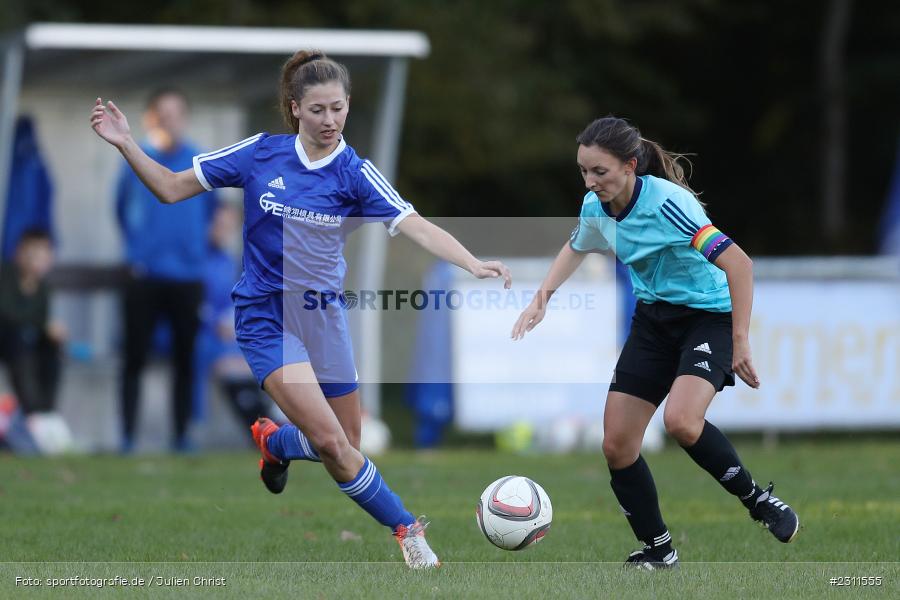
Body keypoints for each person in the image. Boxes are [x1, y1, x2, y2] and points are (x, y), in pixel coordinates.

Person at [90, 49, 511, 569]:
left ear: (348, 106)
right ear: (295, 109)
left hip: (323, 318)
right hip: (266, 318)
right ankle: (408, 531)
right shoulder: (261, 154)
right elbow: (172, 188)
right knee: (335, 443)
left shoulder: (355, 171)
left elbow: (415, 222)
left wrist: (471, 263)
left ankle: (277, 444)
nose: (329, 120)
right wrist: (127, 142)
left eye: (338, 108)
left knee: (347, 443)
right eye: (317, 110)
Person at [512, 116, 799, 569]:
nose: (590, 182)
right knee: (617, 446)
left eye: (599, 172)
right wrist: (541, 299)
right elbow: (578, 245)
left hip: (709, 319)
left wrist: (740, 341)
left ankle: (759, 501)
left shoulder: (669, 204)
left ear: (630, 166)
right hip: (653, 323)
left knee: (683, 422)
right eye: (583, 171)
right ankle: (660, 550)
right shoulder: (595, 206)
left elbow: (739, 265)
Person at [113, 89, 219, 453]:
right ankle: (126, 436)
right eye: (163, 113)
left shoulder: (199, 160)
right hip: (144, 275)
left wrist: (191, 252)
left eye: (177, 113)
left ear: (185, 117)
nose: (170, 120)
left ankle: (182, 435)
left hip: (188, 277)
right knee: (134, 358)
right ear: (150, 118)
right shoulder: (137, 160)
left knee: (185, 360)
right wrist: (139, 250)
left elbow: (211, 212)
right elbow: (120, 211)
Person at [192, 203, 272, 434]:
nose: (222, 230)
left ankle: (269, 424)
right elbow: (194, 302)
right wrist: (216, 322)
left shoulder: (229, 262)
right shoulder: (198, 259)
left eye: (228, 226)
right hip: (201, 333)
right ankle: (197, 423)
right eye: (219, 224)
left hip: (226, 334)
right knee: (224, 360)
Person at [0, 229, 66, 416]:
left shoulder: (44, 288)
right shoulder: (5, 276)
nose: (36, 260)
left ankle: (47, 410)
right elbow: (7, 314)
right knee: (18, 340)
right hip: (8, 340)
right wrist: (44, 325)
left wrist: (52, 331)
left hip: (26, 343)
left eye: (43, 254)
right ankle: (32, 410)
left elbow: (41, 320)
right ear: (19, 253)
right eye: (32, 253)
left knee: (52, 346)